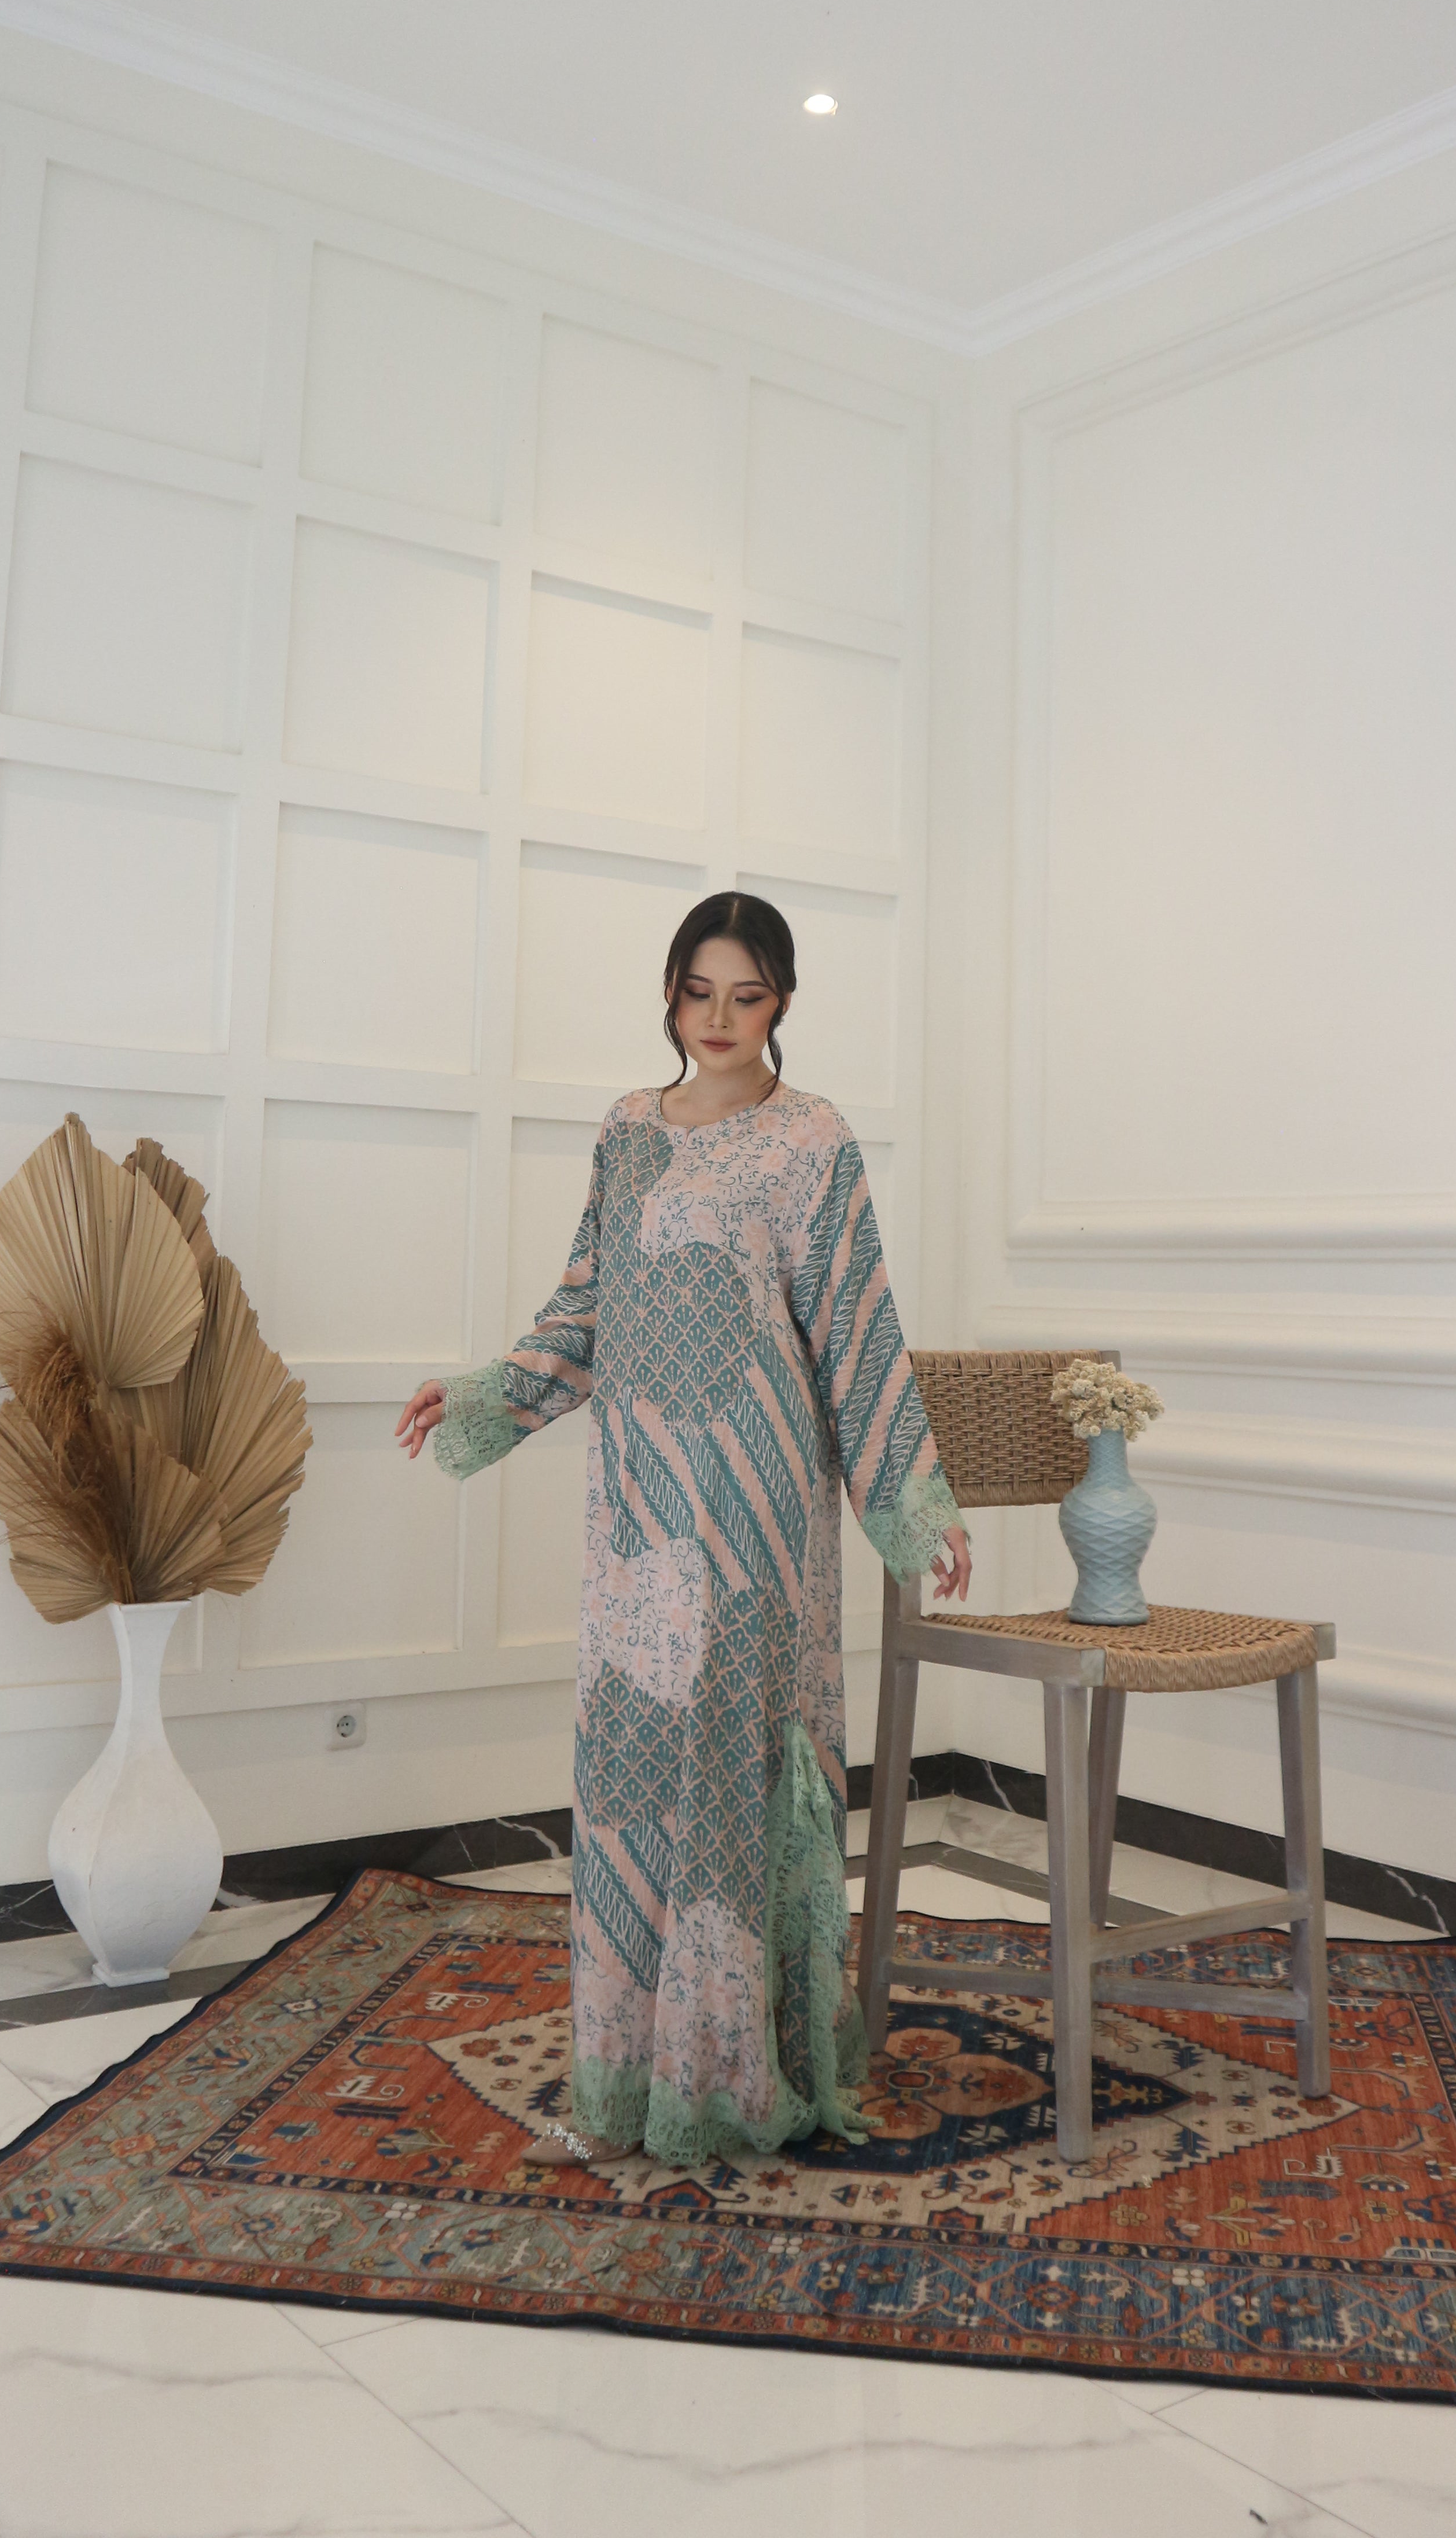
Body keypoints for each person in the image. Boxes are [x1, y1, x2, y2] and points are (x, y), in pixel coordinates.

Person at [397, 889, 971, 2168]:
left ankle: (737, 2066)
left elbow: (855, 1325)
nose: (719, 1018)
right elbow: (586, 1308)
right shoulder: (624, 1131)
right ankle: (635, 2063)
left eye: (747, 996)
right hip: (636, 1511)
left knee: (730, 1758)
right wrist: (484, 1392)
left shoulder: (812, 1137)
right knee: (631, 1767)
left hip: (762, 1507)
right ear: (669, 994)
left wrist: (909, 1498)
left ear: (782, 1004)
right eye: (699, 992)